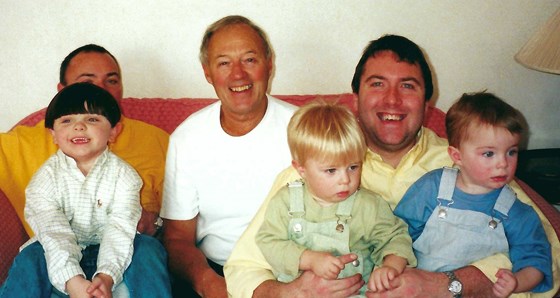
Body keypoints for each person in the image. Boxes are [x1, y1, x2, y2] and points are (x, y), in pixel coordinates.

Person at [224, 35, 560, 297]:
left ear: (428, 102)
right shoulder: (311, 173)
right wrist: (292, 292)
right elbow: (242, 268)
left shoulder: (472, 162)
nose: (392, 100)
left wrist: (449, 286)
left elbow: (549, 253)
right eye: (377, 83)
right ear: (354, 98)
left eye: (408, 86)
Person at [160, 15, 297, 297]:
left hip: (292, 271)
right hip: (215, 272)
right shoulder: (186, 139)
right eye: (224, 63)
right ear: (208, 72)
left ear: (269, 64)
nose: (238, 75)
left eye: (249, 59)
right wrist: (209, 285)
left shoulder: (304, 128)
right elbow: (177, 239)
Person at [0, 83, 171, 298]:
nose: (79, 127)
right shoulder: (45, 179)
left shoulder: (125, 176)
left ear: (113, 131)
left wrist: (107, 276)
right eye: (67, 120)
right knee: (30, 256)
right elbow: (53, 231)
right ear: (53, 134)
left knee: (148, 248)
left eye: (92, 119)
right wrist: (72, 280)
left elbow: (120, 227)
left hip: (117, 253)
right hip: (59, 254)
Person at [0, 44, 168, 237]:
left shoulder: (155, 140)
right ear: (62, 91)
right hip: (55, 256)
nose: (101, 91)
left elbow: (187, 223)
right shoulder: (25, 143)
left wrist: (156, 223)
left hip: (134, 252)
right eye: (87, 82)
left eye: (111, 81)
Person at [394, 92, 552, 297]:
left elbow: (536, 263)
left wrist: (516, 282)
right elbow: (398, 233)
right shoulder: (432, 187)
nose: (503, 163)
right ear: (457, 156)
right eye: (489, 153)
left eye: (511, 152)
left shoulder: (516, 211)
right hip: (419, 288)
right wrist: (395, 266)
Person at [255, 101, 416, 294]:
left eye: (353, 167)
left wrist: (390, 267)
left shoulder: (368, 205)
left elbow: (395, 238)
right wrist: (309, 259)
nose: (345, 180)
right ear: (301, 169)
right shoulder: (285, 201)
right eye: (331, 170)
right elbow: (269, 241)